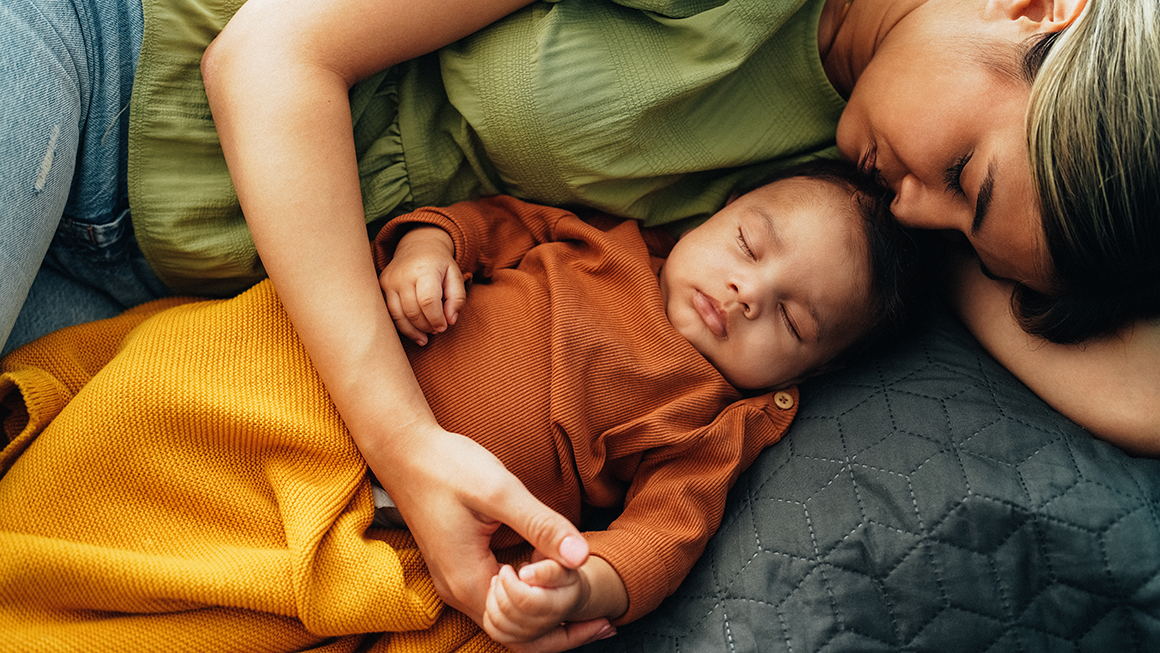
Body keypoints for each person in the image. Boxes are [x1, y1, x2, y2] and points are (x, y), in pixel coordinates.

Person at [3, 0, 1157, 647]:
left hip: (167, 305)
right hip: (101, 66)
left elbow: (1131, 391)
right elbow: (269, 55)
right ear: (1037, 3)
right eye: (964, 174)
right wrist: (409, 445)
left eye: (961, 227)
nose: (923, 205)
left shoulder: (856, 213)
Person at [0, 161, 919, 650]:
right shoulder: (601, 243)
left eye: (793, 320)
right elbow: (479, 223)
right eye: (750, 243)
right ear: (715, 214)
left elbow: (664, 535)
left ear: (797, 376)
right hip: (302, 381)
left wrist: (580, 580)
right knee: (143, 409)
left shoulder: (707, 420)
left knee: (219, 599)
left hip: (377, 511)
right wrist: (424, 252)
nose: (748, 292)